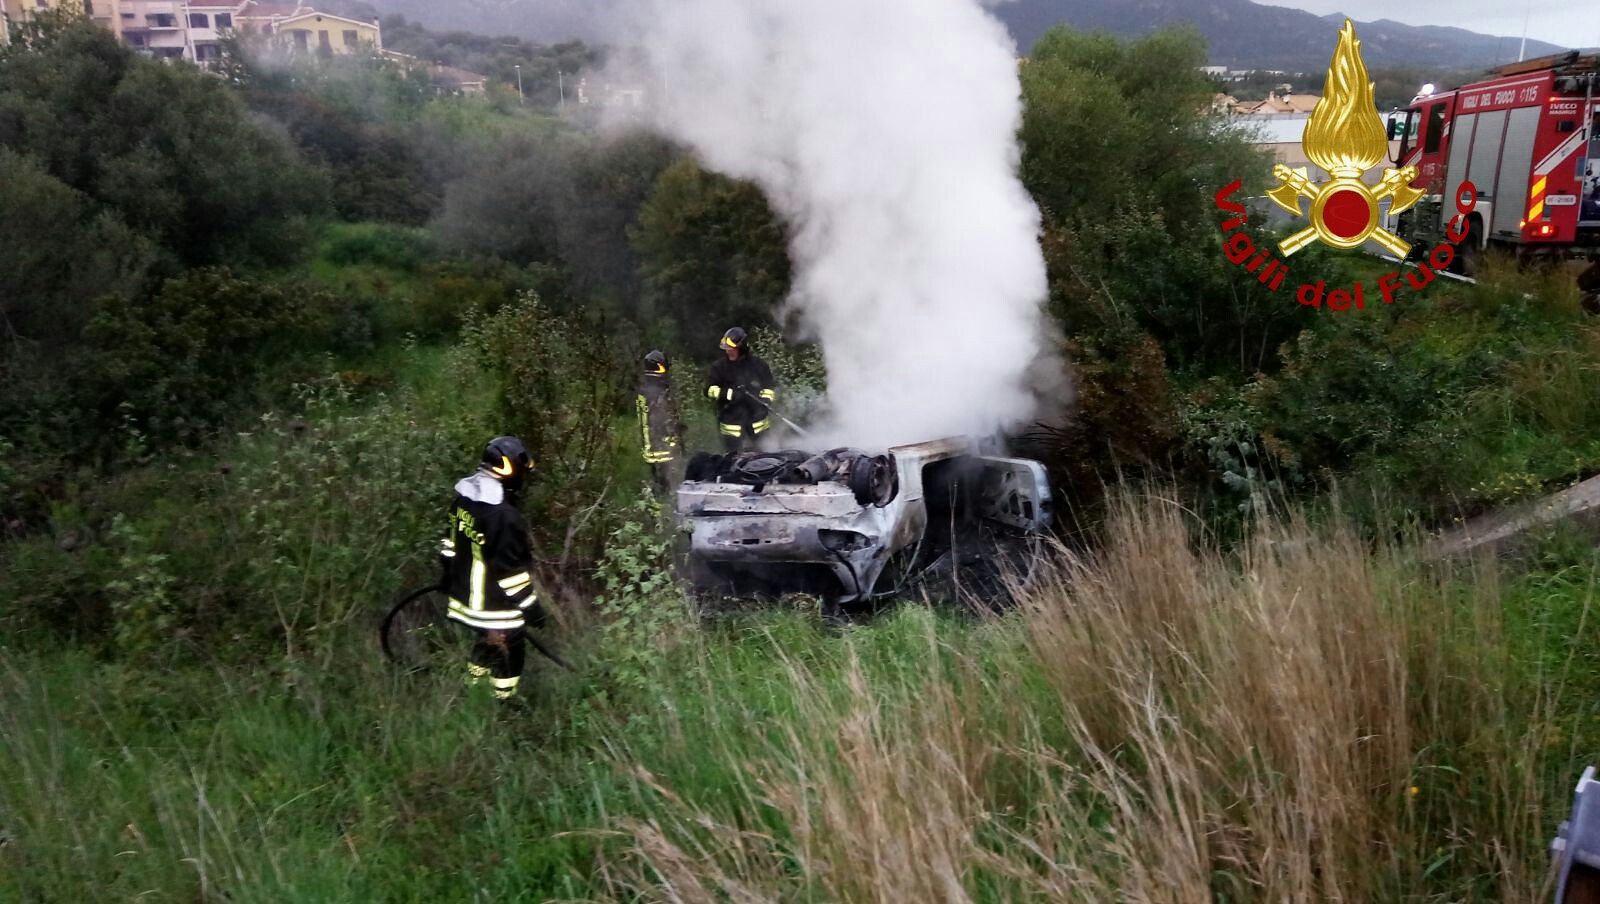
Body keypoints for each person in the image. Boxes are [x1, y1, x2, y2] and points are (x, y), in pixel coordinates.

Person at [438, 436, 547, 701]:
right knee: (511, 650)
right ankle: (504, 703)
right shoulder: (503, 516)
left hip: (465, 598)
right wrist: (531, 607)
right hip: (494, 605)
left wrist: (448, 576)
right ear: (509, 469)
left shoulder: (463, 501)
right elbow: (509, 571)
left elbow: (447, 545)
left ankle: (473, 689)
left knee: (487, 640)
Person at [704, 327, 777, 452]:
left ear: (742, 348)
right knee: (733, 462)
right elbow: (709, 390)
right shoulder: (719, 367)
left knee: (766, 458)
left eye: (732, 348)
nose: (728, 351)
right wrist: (729, 394)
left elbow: (769, 387)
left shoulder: (758, 366)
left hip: (758, 424)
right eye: (727, 348)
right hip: (731, 424)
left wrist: (764, 401)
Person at [637, 349, 684, 493]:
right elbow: (661, 420)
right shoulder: (656, 392)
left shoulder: (645, 390)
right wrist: (673, 439)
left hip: (651, 445)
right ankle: (663, 509)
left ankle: (658, 506)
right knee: (665, 484)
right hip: (661, 447)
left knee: (659, 481)